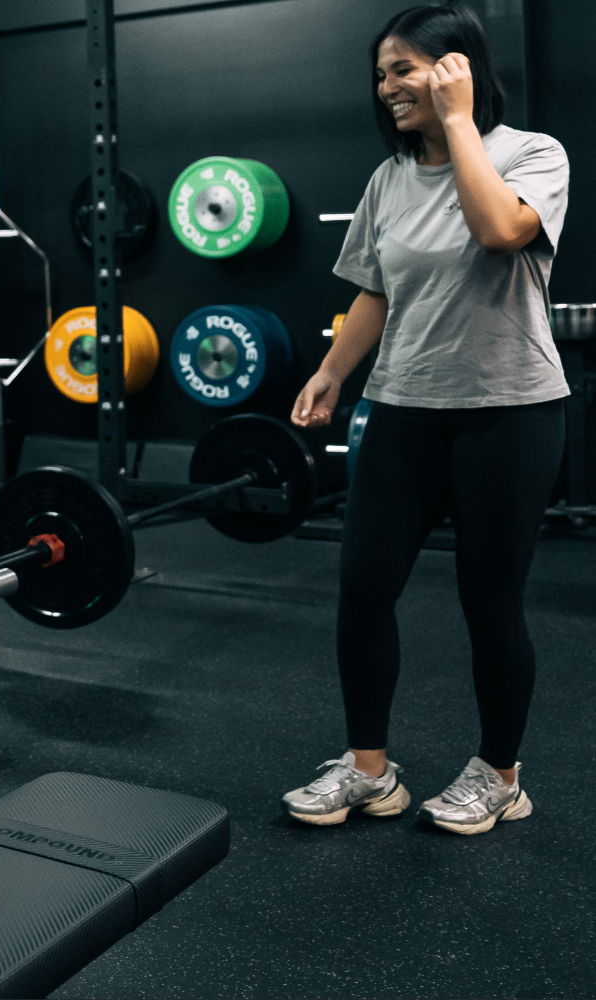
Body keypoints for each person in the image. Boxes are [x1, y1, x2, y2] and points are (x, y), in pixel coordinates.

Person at [285, 6, 569, 835]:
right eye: (382, 74)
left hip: (508, 412)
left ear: (457, 68)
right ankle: (370, 771)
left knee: (491, 602)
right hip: (403, 407)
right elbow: (376, 289)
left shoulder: (531, 153)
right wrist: (334, 371)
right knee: (363, 587)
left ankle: (500, 775)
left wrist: (459, 124)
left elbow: (497, 230)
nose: (388, 87)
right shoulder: (390, 178)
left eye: (405, 68)